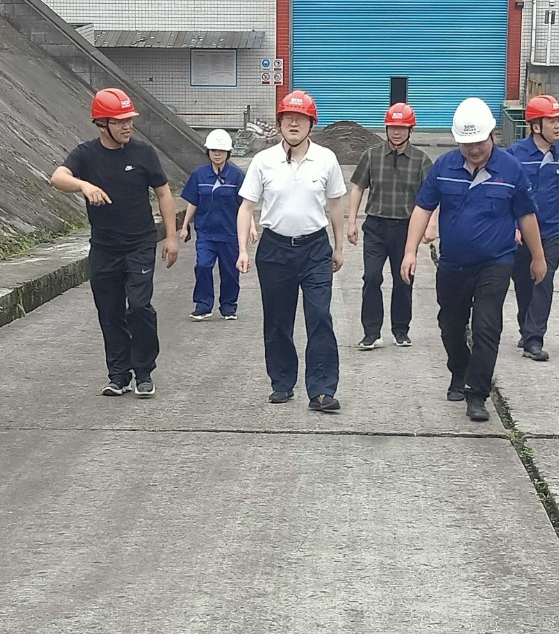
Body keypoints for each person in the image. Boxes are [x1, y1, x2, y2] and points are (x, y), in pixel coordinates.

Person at [402, 98, 546, 423]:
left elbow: (526, 216)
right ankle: (459, 370)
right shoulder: (444, 167)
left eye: (479, 142)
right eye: (467, 144)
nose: (474, 149)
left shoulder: (511, 169)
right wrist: (410, 251)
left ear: (492, 135)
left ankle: (477, 393)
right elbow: (423, 208)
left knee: (486, 326)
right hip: (452, 264)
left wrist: (537, 258)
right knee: (450, 326)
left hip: (495, 262)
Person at [50, 87, 178, 397]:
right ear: (102, 124)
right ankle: (119, 375)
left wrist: (171, 237)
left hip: (140, 244)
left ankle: (144, 372)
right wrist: (83, 185)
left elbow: (163, 193)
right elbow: (57, 178)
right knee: (110, 312)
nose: (127, 126)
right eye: (119, 121)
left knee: (139, 307)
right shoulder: (85, 154)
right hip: (104, 248)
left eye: (129, 120)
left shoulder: (144, 154)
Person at [236, 89, 348, 412]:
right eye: (288, 118)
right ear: (280, 123)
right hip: (275, 249)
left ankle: (322, 390)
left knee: (320, 316)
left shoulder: (326, 159)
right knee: (277, 320)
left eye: (301, 118)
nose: (294, 124)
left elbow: (335, 205)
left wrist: (339, 247)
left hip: (315, 249)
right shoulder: (263, 161)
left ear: (311, 124)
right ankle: (282, 383)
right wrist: (242, 249)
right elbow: (246, 207)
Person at [347, 102, 433, 349]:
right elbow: (357, 187)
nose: (396, 132)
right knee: (371, 277)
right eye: (392, 127)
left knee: (404, 279)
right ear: (386, 128)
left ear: (410, 130)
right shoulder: (371, 155)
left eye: (402, 127)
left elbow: (432, 196)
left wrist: (430, 225)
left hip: (407, 229)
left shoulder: (421, 160)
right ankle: (371, 333)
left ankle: (401, 330)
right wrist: (352, 221)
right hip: (376, 227)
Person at [508, 94, 559, 360]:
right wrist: (512, 227)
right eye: (551, 120)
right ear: (535, 125)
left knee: (544, 280)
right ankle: (526, 327)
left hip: (553, 231)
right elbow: (506, 194)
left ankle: (534, 339)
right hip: (521, 233)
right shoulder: (515, 154)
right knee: (523, 283)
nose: (558, 125)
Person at [179, 129, 244, 321]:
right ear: (208, 152)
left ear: (228, 153)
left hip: (229, 234)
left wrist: (250, 228)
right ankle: (203, 305)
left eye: (221, 151)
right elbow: (193, 202)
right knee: (203, 266)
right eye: (214, 150)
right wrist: (184, 226)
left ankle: (229, 307)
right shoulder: (199, 175)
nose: (217, 154)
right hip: (206, 233)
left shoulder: (236, 176)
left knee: (230, 272)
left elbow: (245, 205)